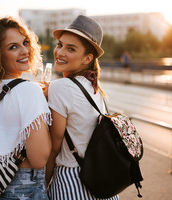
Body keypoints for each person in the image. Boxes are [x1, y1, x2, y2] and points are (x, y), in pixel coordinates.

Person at [0, 17, 52, 200]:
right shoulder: (29, 91)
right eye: (13, 47)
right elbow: (39, 159)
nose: (24, 51)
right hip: (22, 188)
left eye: (25, 43)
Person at [45, 15, 119, 200]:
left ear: (87, 58)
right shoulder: (95, 88)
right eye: (60, 45)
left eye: (71, 49)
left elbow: (54, 146)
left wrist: (42, 183)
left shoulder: (61, 87)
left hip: (72, 183)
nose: (60, 52)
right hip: (101, 181)